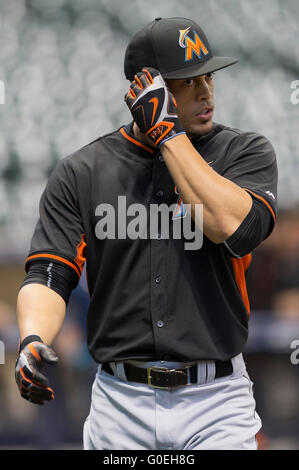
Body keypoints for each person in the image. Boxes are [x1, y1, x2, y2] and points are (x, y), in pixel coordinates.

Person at [15, 17, 278, 450]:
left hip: (215, 399)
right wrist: (32, 339)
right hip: (120, 402)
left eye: (208, 76)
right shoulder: (83, 172)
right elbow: (49, 274)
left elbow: (236, 230)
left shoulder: (243, 152)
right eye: (187, 81)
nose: (205, 91)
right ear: (143, 90)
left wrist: (168, 135)